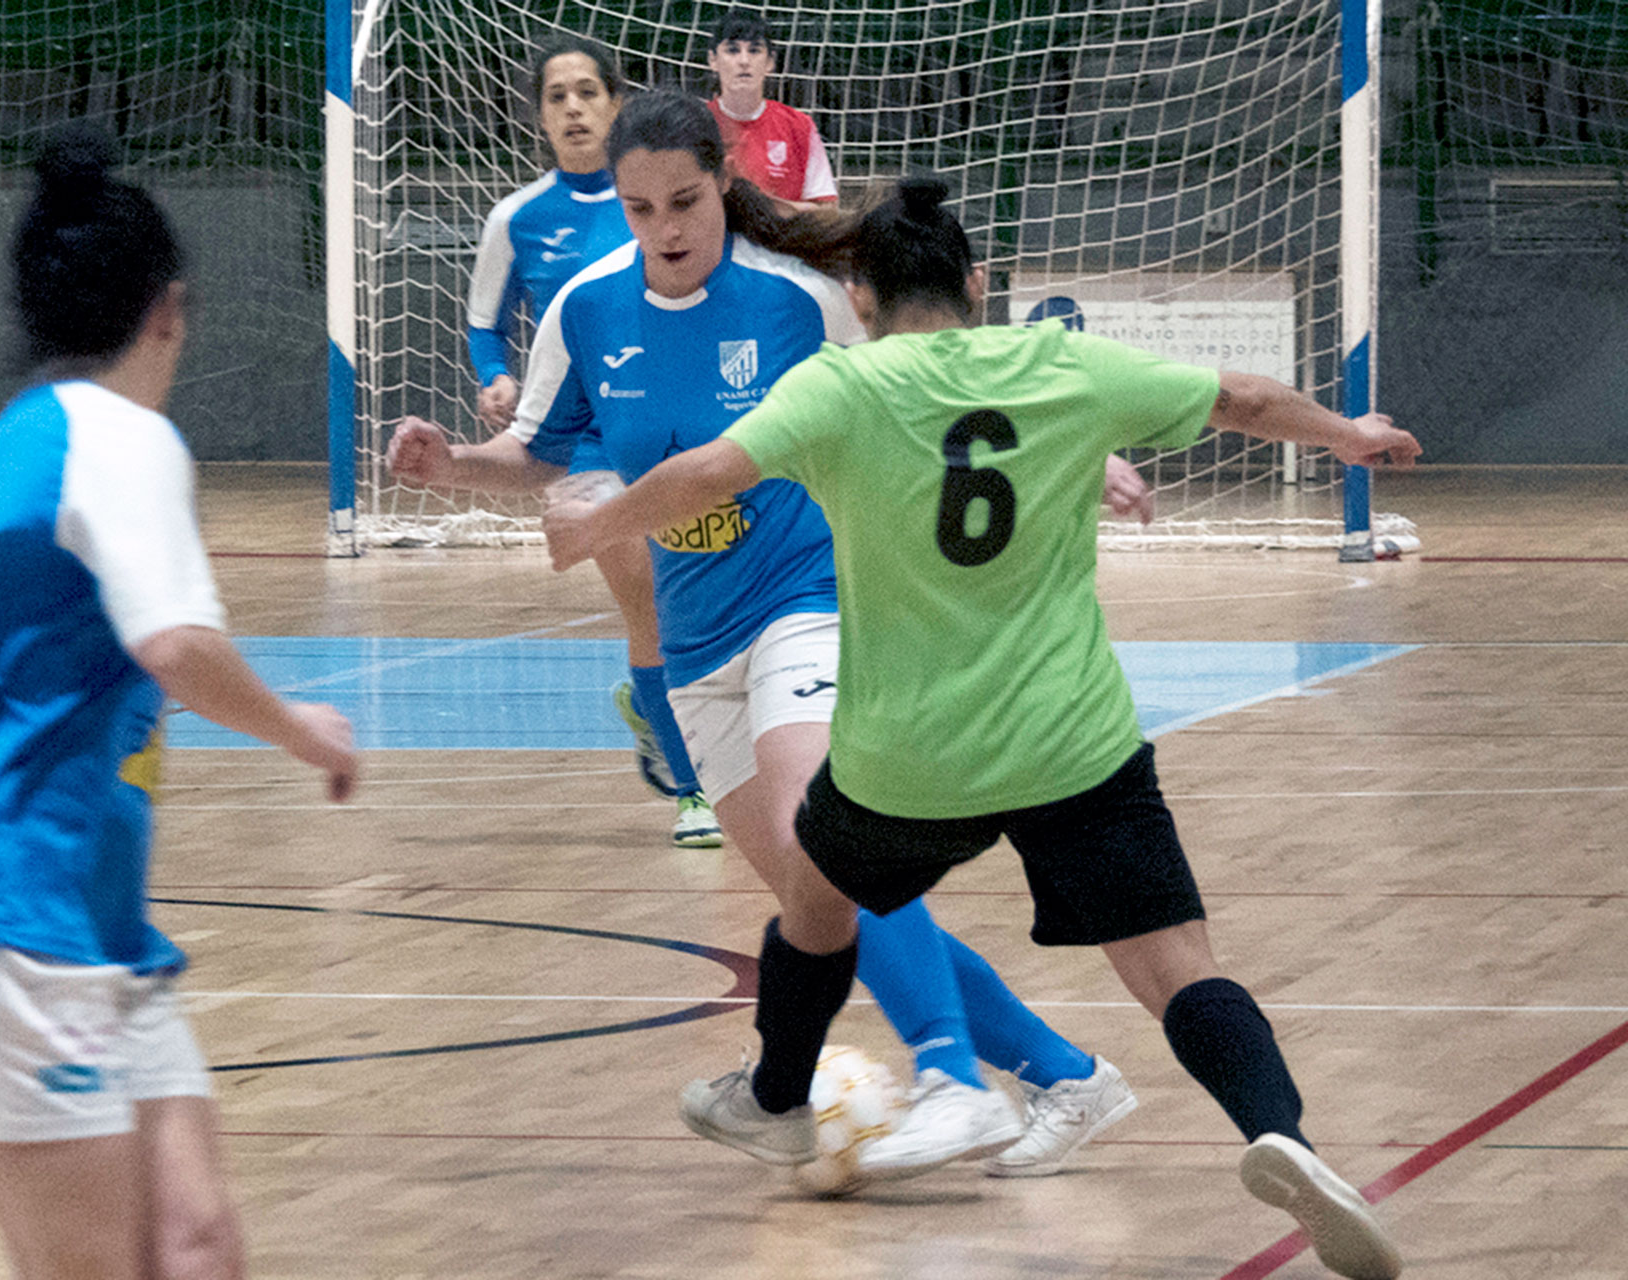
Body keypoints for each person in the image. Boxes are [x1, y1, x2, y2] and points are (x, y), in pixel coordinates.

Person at [542, 174, 1415, 1278]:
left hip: (907, 759)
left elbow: (703, 474)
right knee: (1178, 969)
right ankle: (1277, 1130)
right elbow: (1242, 397)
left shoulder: (841, 385)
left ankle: (772, 1093)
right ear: (979, 283)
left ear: (860, 296)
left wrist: (593, 527)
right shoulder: (1066, 366)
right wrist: (1351, 433)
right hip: (1073, 744)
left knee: (816, 900)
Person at [392, 90, 1137, 1184]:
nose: (666, 228)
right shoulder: (588, 310)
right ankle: (1067, 1073)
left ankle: (953, 1079)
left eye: (686, 200)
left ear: (723, 185)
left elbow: (936, 376)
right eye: (641, 209)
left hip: (813, 597)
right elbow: (541, 448)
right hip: (694, 643)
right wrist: (454, 462)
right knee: (814, 892)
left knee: (822, 841)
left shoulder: (797, 299)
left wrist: (1070, 453)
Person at [0, 123, 361, 1280]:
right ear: (170, 308)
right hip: (14, 922)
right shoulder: (126, 441)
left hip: (86, 925)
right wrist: (300, 726)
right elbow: (175, 643)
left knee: (198, 1243)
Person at [464, 31, 720, 849]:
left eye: (588, 92)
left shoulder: (664, 194)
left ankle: (658, 708)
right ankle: (692, 792)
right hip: (589, 443)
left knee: (710, 595)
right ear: (538, 116)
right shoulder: (519, 218)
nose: (573, 108)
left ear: (617, 105)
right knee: (650, 597)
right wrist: (495, 375)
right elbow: (482, 324)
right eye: (556, 95)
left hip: (680, 428)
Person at [705, 9, 837, 208]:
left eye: (754, 50)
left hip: (779, 238)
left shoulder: (799, 126)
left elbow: (827, 211)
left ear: (770, 62)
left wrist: (760, 206)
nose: (744, 61)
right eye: (732, 50)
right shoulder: (694, 124)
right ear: (713, 60)